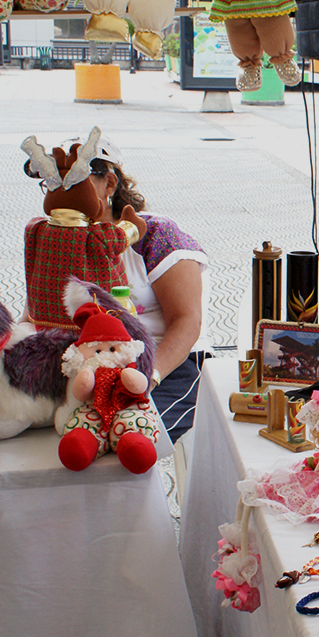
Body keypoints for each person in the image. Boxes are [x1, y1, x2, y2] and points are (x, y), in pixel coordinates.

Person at [86, 136, 211, 443]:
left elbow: (187, 320)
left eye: (76, 183)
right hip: (93, 367)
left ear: (110, 183)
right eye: (52, 186)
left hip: (170, 365)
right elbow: (33, 317)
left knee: (128, 439)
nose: (62, 195)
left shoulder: (156, 235)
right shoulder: (62, 241)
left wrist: (147, 378)